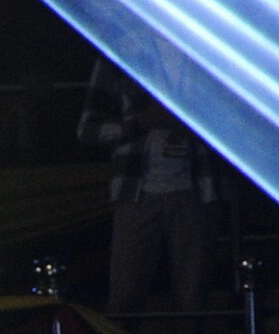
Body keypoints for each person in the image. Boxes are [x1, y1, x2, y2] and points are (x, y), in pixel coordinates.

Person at [78, 57, 222, 318]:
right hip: (136, 191)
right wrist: (142, 122)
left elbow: (230, 120)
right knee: (126, 294)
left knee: (195, 295)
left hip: (196, 188)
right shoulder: (118, 55)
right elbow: (87, 130)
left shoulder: (203, 53)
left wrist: (194, 122)